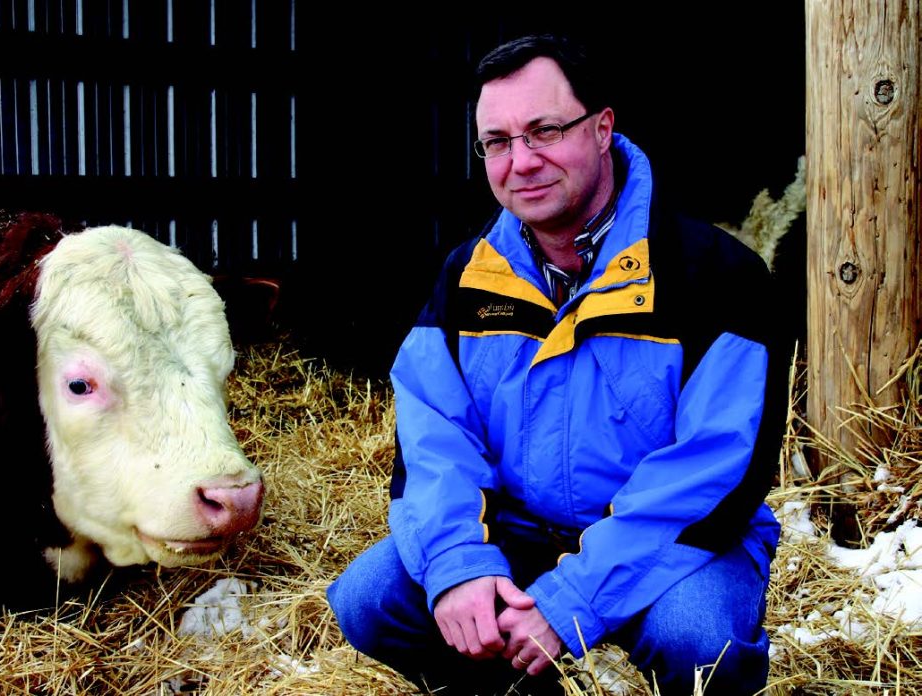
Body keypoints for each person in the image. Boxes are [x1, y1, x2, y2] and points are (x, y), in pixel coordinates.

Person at [327, 33, 788, 696]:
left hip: (676, 542)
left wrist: (572, 597)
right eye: (498, 141)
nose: (522, 162)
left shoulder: (715, 277)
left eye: (545, 131)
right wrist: (460, 564)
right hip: (518, 531)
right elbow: (435, 442)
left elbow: (713, 470)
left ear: (603, 129)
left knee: (698, 640)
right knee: (369, 598)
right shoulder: (467, 278)